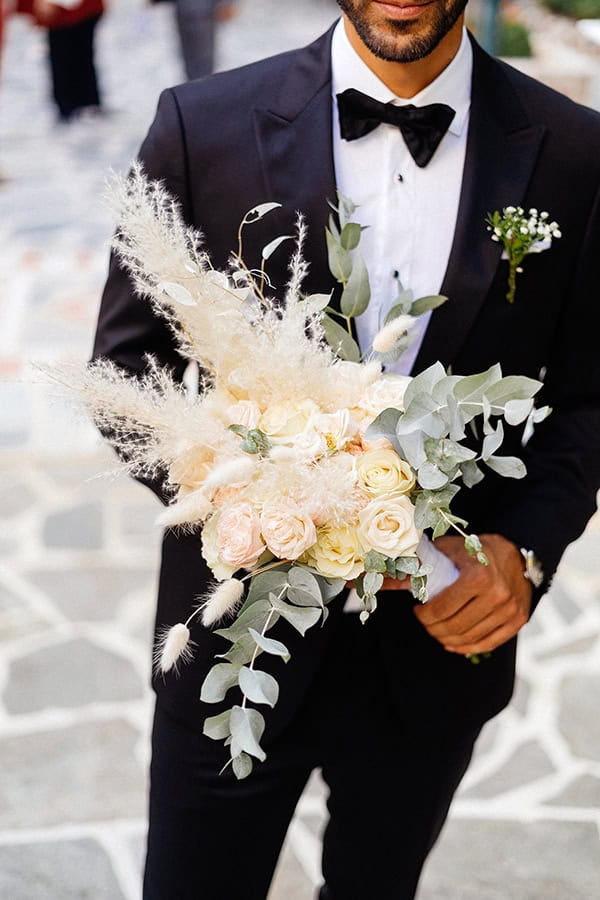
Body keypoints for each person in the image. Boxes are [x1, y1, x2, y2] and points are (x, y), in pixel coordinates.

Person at [92, 1, 600, 897]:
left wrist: (521, 552)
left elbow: (588, 395)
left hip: (436, 655)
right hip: (235, 643)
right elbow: (129, 367)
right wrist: (246, 487)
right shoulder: (199, 126)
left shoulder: (576, 151)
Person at [18, 0, 105, 121]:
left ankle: (81, 108)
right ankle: (79, 108)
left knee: (75, 59)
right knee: (74, 59)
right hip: (66, 13)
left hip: (69, 11)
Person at [151, 0, 237, 81]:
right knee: (190, 58)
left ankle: (201, 88)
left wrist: (227, 3)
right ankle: (195, 88)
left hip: (203, 14)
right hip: (186, 12)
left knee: (203, 60)